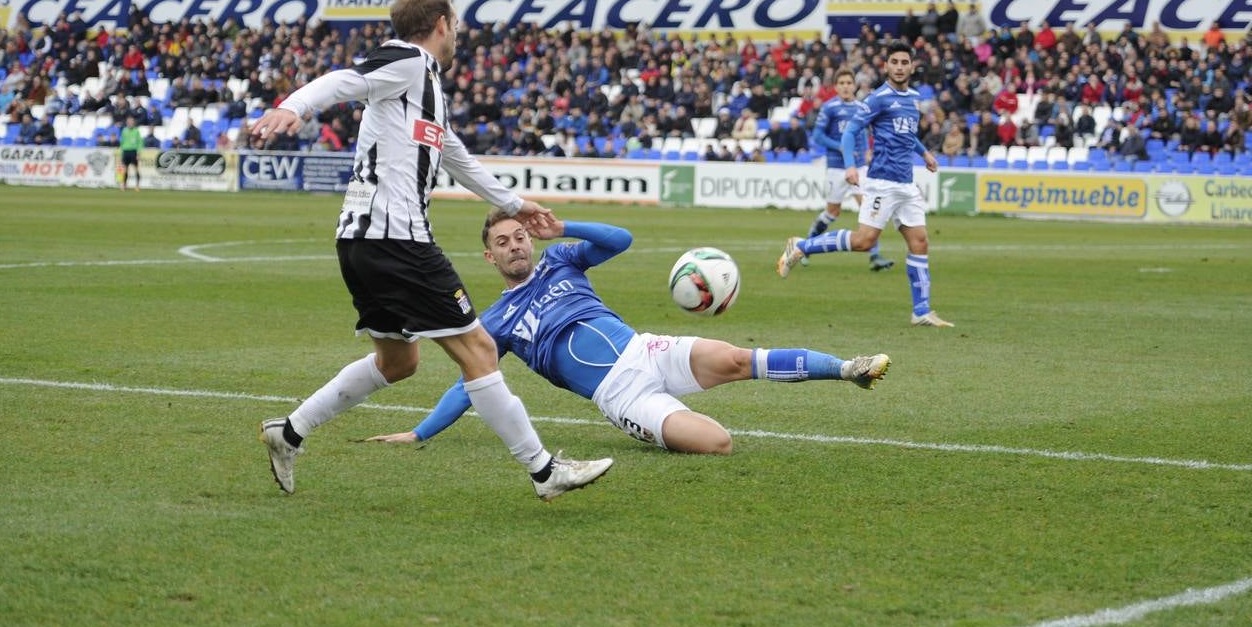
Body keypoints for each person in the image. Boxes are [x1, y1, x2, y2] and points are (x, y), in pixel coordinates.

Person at [249, 0, 612, 501]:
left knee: (399, 362)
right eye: (456, 22)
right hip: (397, 238)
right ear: (442, 22)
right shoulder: (410, 63)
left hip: (361, 242)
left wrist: (513, 204)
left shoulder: (426, 89)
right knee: (480, 349)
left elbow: (455, 155)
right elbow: (344, 79)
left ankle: (287, 433)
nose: (457, 31)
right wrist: (295, 106)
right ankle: (544, 470)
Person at [363, 212, 891, 455]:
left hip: (647, 349)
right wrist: (420, 433)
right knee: (718, 444)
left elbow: (622, 238)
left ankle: (849, 369)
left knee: (735, 357)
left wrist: (561, 227)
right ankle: (665, 420)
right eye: (504, 242)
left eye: (520, 236)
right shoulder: (495, 321)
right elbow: (469, 386)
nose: (516, 246)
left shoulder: (561, 261)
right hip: (620, 394)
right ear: (489, 255)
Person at [777, 41, 952, 328]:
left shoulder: (914, 98)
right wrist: (849, 165)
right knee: (864, 241)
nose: (898, 67)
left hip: (906, 184)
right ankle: (802, 246)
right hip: (881, 182)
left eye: (904, 62)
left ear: (911, 66)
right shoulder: (876, 99)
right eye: (893, 62)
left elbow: (908, 135)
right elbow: (850, 134)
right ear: (886, 66)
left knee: (920, 242)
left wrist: (925, 153)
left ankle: (921, 311)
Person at [806, 67, 893, 271]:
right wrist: (841, 146)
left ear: (854, 85)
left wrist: (867, 152)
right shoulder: (829, 108)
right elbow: (817, 136)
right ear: (836, 87)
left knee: (868, 206)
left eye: (849, 83)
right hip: (836, 167)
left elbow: (863, 134)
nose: (846, 87)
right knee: (832, 212)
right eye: (842, 83)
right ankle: (807, 246)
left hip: (859, 167)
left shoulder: (861, 108)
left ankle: (875, 256)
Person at [118, 115, 142, 190]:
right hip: (126, 151)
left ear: (133, 123)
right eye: (129, 122)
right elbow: (122, 143)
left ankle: (137, 185)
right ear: (127, 122)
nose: (130, 123)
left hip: (133, 151)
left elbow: (139, 142)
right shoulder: (124, 131)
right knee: (125, 169)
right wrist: (121, 153)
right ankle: (124, 185)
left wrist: (138, 152)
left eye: (131, 122)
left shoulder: (136, 131)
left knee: (136, 169)